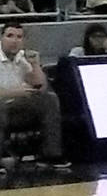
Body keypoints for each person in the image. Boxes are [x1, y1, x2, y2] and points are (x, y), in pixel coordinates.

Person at [0, 22, 69, 172]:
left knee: (49, 99)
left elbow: (41, 87)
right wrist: (15, 92)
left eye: (19, 37)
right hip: (2, 106)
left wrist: (35, 65)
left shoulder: (23, 59)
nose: (14, 40)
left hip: (18, 108)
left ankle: (51, 155)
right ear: (1, 38)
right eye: (10, 36)